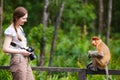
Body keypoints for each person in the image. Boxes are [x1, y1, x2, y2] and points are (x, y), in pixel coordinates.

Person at [3, 6, 34, 80]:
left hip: (25, 60)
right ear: (16, 18)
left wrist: (26, 50)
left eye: (26, 18)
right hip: (18, 60)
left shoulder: (20, 28)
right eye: (23, 18)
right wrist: (21, 51)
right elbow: (5, 49)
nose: (25, 20)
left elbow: (19, 45)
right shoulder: (10, 30)